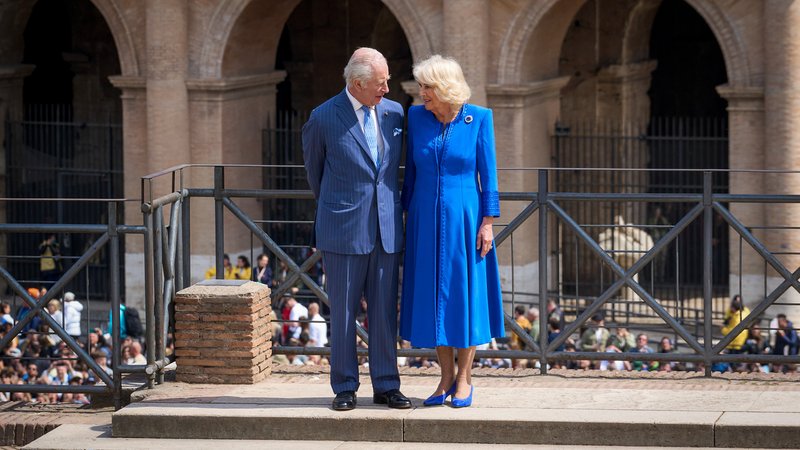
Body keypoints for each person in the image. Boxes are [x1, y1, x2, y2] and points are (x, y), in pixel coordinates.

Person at [302, 47, 408, 411]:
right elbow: (315, 175)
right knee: (344, 314)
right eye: (381, 83)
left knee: (383, 313)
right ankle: (345, 386)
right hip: (344, 229)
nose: (387, 89)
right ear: (358, 84)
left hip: (386, 229)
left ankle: (387, 385)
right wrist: (342, 206)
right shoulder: (323, 117)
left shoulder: (394, 113)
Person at [400, 55, 504, 409]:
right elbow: (409, 175)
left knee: (464, 297)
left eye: (427, 87)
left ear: (445, 87)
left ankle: (464, 379)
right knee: (433, 298)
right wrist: (404, 214)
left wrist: (488, 223)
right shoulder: (416, 117)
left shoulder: (479, 118)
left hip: (466, 219)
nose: (421, 93)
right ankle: (444, 377)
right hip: (424, 218)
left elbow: (489, 176)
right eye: (421, 86)